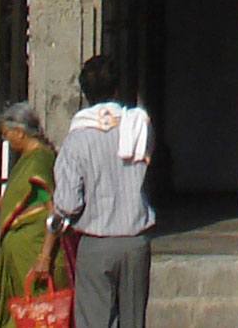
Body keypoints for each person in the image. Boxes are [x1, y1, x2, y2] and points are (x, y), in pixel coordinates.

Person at [51, 55, 155, 328]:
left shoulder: (76, 140)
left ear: (85, 94)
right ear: (117, 90)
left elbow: (68, 203)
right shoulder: (137, 125)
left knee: (96, 321)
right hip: (135, 241)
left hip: (97, 242)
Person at [0, 104, 68, 328]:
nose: (7, 140)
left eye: (7, 135)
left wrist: (44, 258)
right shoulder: (30, 158)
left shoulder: (39, 161)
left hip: (34, 253)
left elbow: (54, 211)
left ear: (19, 132)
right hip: (18, 254)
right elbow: (31, 204)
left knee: (35, 315)